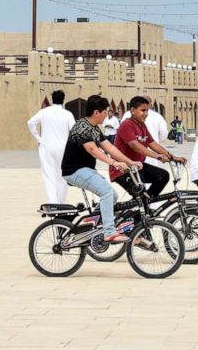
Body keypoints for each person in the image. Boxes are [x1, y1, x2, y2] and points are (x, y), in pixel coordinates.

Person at [61, 95, 142, 243]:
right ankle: (109, 232)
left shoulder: (94, 128)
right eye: (105, 112)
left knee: (112, 195)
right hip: (74, 171)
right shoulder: (81, 126)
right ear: (96, 112)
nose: (107, 115)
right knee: (106, 192)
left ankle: (90, 223)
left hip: (86, 170)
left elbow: (110, 147)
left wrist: (130, 162)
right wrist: (114, 163)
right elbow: (93, 149)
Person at [111, 96, 185, 199]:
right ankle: (143, 207)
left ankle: (145, 204)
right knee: (141, 194)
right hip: (123, 169)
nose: (146, 114)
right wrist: (157, 156)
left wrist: (173, 157)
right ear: (132, 110)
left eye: (147, 111)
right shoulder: (127, 125)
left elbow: (153, 144)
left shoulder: (142, 125)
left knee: (163, 176)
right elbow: (134, 145)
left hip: (138, 166)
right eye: (143, 110)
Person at [28, 90, 76, 204]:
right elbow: (74, 131)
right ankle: (61, 202)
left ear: (52, 99)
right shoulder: (67, 114)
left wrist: (38, 139)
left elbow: (30, 123)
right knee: (63, 175)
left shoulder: (44, 112)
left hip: (46, 147)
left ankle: (53, 202)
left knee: (49, 175)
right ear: (63, 100)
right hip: (63, 148)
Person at [121, 95, 169, 167]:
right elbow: (164, 134)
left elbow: (151, 142)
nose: (145, 114)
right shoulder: (157, 116)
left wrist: (171, 157)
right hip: (142, 157)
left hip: (144, 156)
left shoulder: (130, 115)